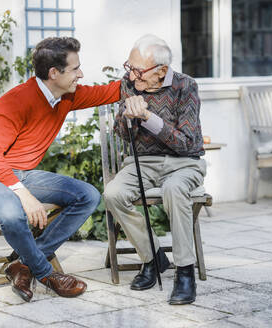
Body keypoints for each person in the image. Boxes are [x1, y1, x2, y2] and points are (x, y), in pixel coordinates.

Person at [0, 37, 120, 302]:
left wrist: (149, 75)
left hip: (20, 173)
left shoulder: (67, 96)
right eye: (75, 69)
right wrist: (24, 195)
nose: (80, 74)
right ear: (54, 73)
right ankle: (46, 274)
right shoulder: (17, 101)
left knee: (88, 195)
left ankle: (23, 264)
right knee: (13, 214)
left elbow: (110, 91)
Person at [103, 34, 206, 305]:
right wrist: (127, 118)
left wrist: (149, 118)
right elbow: (123, 135)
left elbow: (185, 143)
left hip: (184, 164)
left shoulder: (186, 86)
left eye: (138, 70)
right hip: (143, 164)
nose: (132, 75)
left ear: (161, 71)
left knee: (173, 188)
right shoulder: (131, 84)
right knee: (113, 193)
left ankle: (185, 273)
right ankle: (152, 258)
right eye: (130, 67)